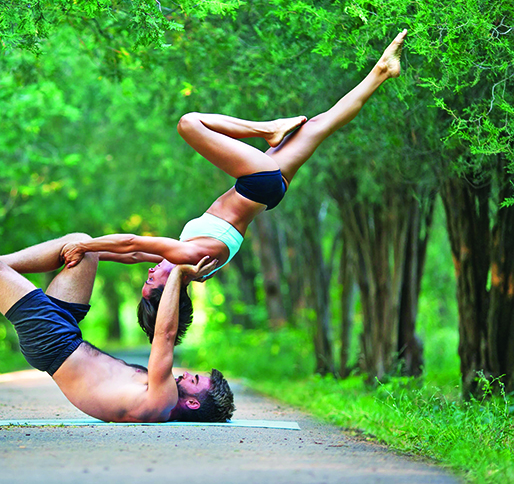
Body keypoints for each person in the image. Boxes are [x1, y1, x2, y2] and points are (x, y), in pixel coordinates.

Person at [61, 30, 408, 345]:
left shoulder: (186, 267)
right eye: (151, 281)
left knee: (321, 124)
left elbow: (133, 254)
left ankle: (381, 71)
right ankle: (268, 128)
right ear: (167, 290)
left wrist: (85, 254)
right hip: (257, 184)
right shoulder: (186, 258)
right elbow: (133, 241)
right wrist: (86, 244)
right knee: (189, 124)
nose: (149, 272)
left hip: (269, 192)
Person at [0, 173, 235, 423]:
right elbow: (132, 254)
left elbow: (164, 336)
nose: (188, 373)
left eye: (196, 379)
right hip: (66, 334)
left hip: (53, 342)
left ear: (192, 402)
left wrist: (182, 276)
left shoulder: (161, 402)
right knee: (83, 246)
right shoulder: (163, 395)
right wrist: (166, 260)